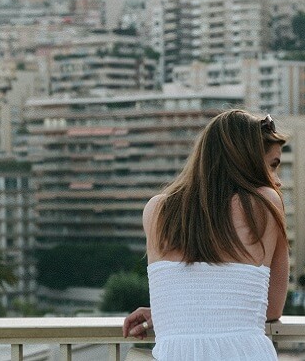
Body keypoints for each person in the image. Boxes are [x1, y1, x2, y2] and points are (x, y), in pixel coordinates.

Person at [122, 110, 289, 360]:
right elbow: (272, 309)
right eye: (273, 165)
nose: (277, 180)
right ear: (249, 161)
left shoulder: (157, 210)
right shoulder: (264, 203)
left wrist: (172, 312)